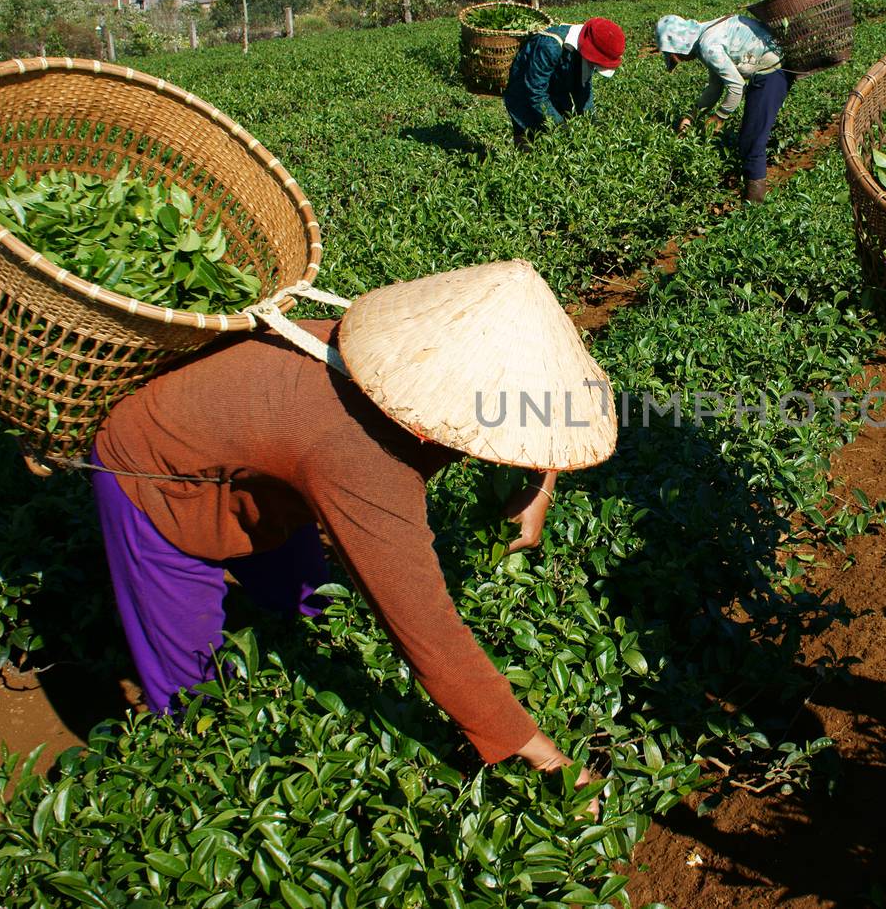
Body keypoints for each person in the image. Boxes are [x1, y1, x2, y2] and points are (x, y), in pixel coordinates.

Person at [88, 260, 620, 793]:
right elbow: (427, 632)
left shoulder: (396, 360)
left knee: (315, 609)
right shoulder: (364, 462)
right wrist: (547, 758)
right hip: (156, 481)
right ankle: (186, 778)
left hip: (261, 466)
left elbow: (546, 402)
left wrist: (541, 485)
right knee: (196, 701)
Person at [655, 13, 792, 203]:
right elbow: (715, 88)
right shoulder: (705, 36)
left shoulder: (708, 46)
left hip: (772, 73)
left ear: (681, 47)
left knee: (752, 140)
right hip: (766, 68)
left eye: (676, 57)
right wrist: (691, 115)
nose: (681, 61)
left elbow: (736, 87)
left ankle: (755, 208)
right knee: (749, 136)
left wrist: (719, 117)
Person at [503, 17, 625, 147]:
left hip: (557, 93)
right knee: (528, 144)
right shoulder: (550, 46)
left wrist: (592, 120)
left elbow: (582, 86)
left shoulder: (583, 49)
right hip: (525, 98)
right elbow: (535, 92)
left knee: (560, 146)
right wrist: (560, 125)